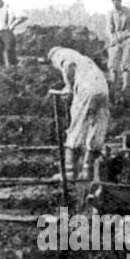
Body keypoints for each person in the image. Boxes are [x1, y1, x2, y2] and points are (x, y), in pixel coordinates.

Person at [46, 45, 111, 180]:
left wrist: (68, 87)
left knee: (77, 125)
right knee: (97, 127)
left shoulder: (60, 55)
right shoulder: (83, 58)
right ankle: (88, 171)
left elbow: (68, 65)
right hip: (102, 89)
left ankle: (71, 171)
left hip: (87, 90)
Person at [105, 0, 130, 93]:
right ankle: (113, 86)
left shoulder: (129, 12)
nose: (115, 4)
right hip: (116, 39)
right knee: (113, 63)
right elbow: (109, 29)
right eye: (113, 2)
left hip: (128, 39)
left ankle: (125, 87)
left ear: (120, 1)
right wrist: (113, 38)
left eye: (117, 1)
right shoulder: (111, 13)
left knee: (126, 63)